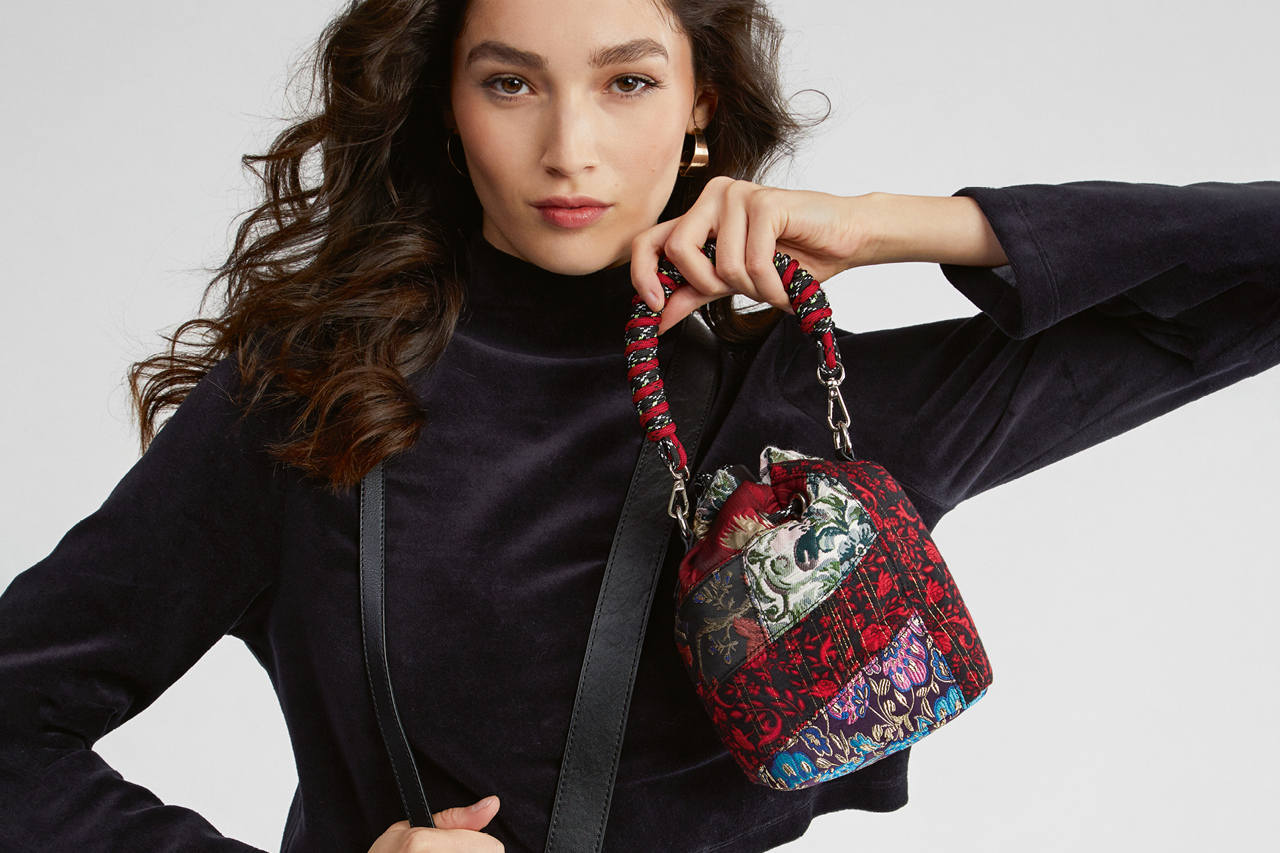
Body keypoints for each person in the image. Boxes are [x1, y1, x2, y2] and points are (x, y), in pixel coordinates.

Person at [1, 0, 1277, 852]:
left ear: (699, 103)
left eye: (626, 81)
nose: (570, 147)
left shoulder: (813, 419)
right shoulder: (313, 401)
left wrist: (904, 224)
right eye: (511, 82)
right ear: (445, 104)